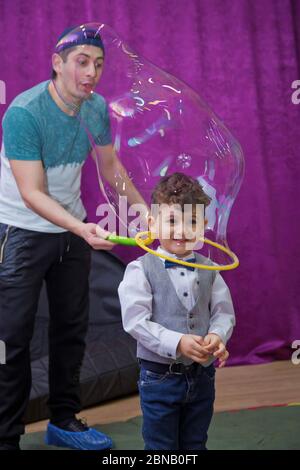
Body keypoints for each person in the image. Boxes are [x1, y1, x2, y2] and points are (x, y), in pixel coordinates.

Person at [0, 25, 146, 450]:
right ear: (57, 63)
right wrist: (81, 228)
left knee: (71, 329)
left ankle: (63, 420)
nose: (91, 72)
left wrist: (144, 214)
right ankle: (7, 437)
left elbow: (111, 168)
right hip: (21, 231)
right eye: (81, 61)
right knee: (10, 338)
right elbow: (31, 193)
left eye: (98, 64)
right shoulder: (25, 112)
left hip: (71, 231)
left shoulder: (95, 107)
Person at [118, 172, 236, 450]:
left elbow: (223, 312)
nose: (182, 231)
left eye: (191, 222)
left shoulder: (210, 270)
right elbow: (135, 321)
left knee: (196, 442)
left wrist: (218, 335)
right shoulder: (140, 270)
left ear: (203, 226)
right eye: (171, 221)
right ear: (152, 223)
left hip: (202, 376)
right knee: (161, 446)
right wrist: (178, 341)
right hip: (159, 377)